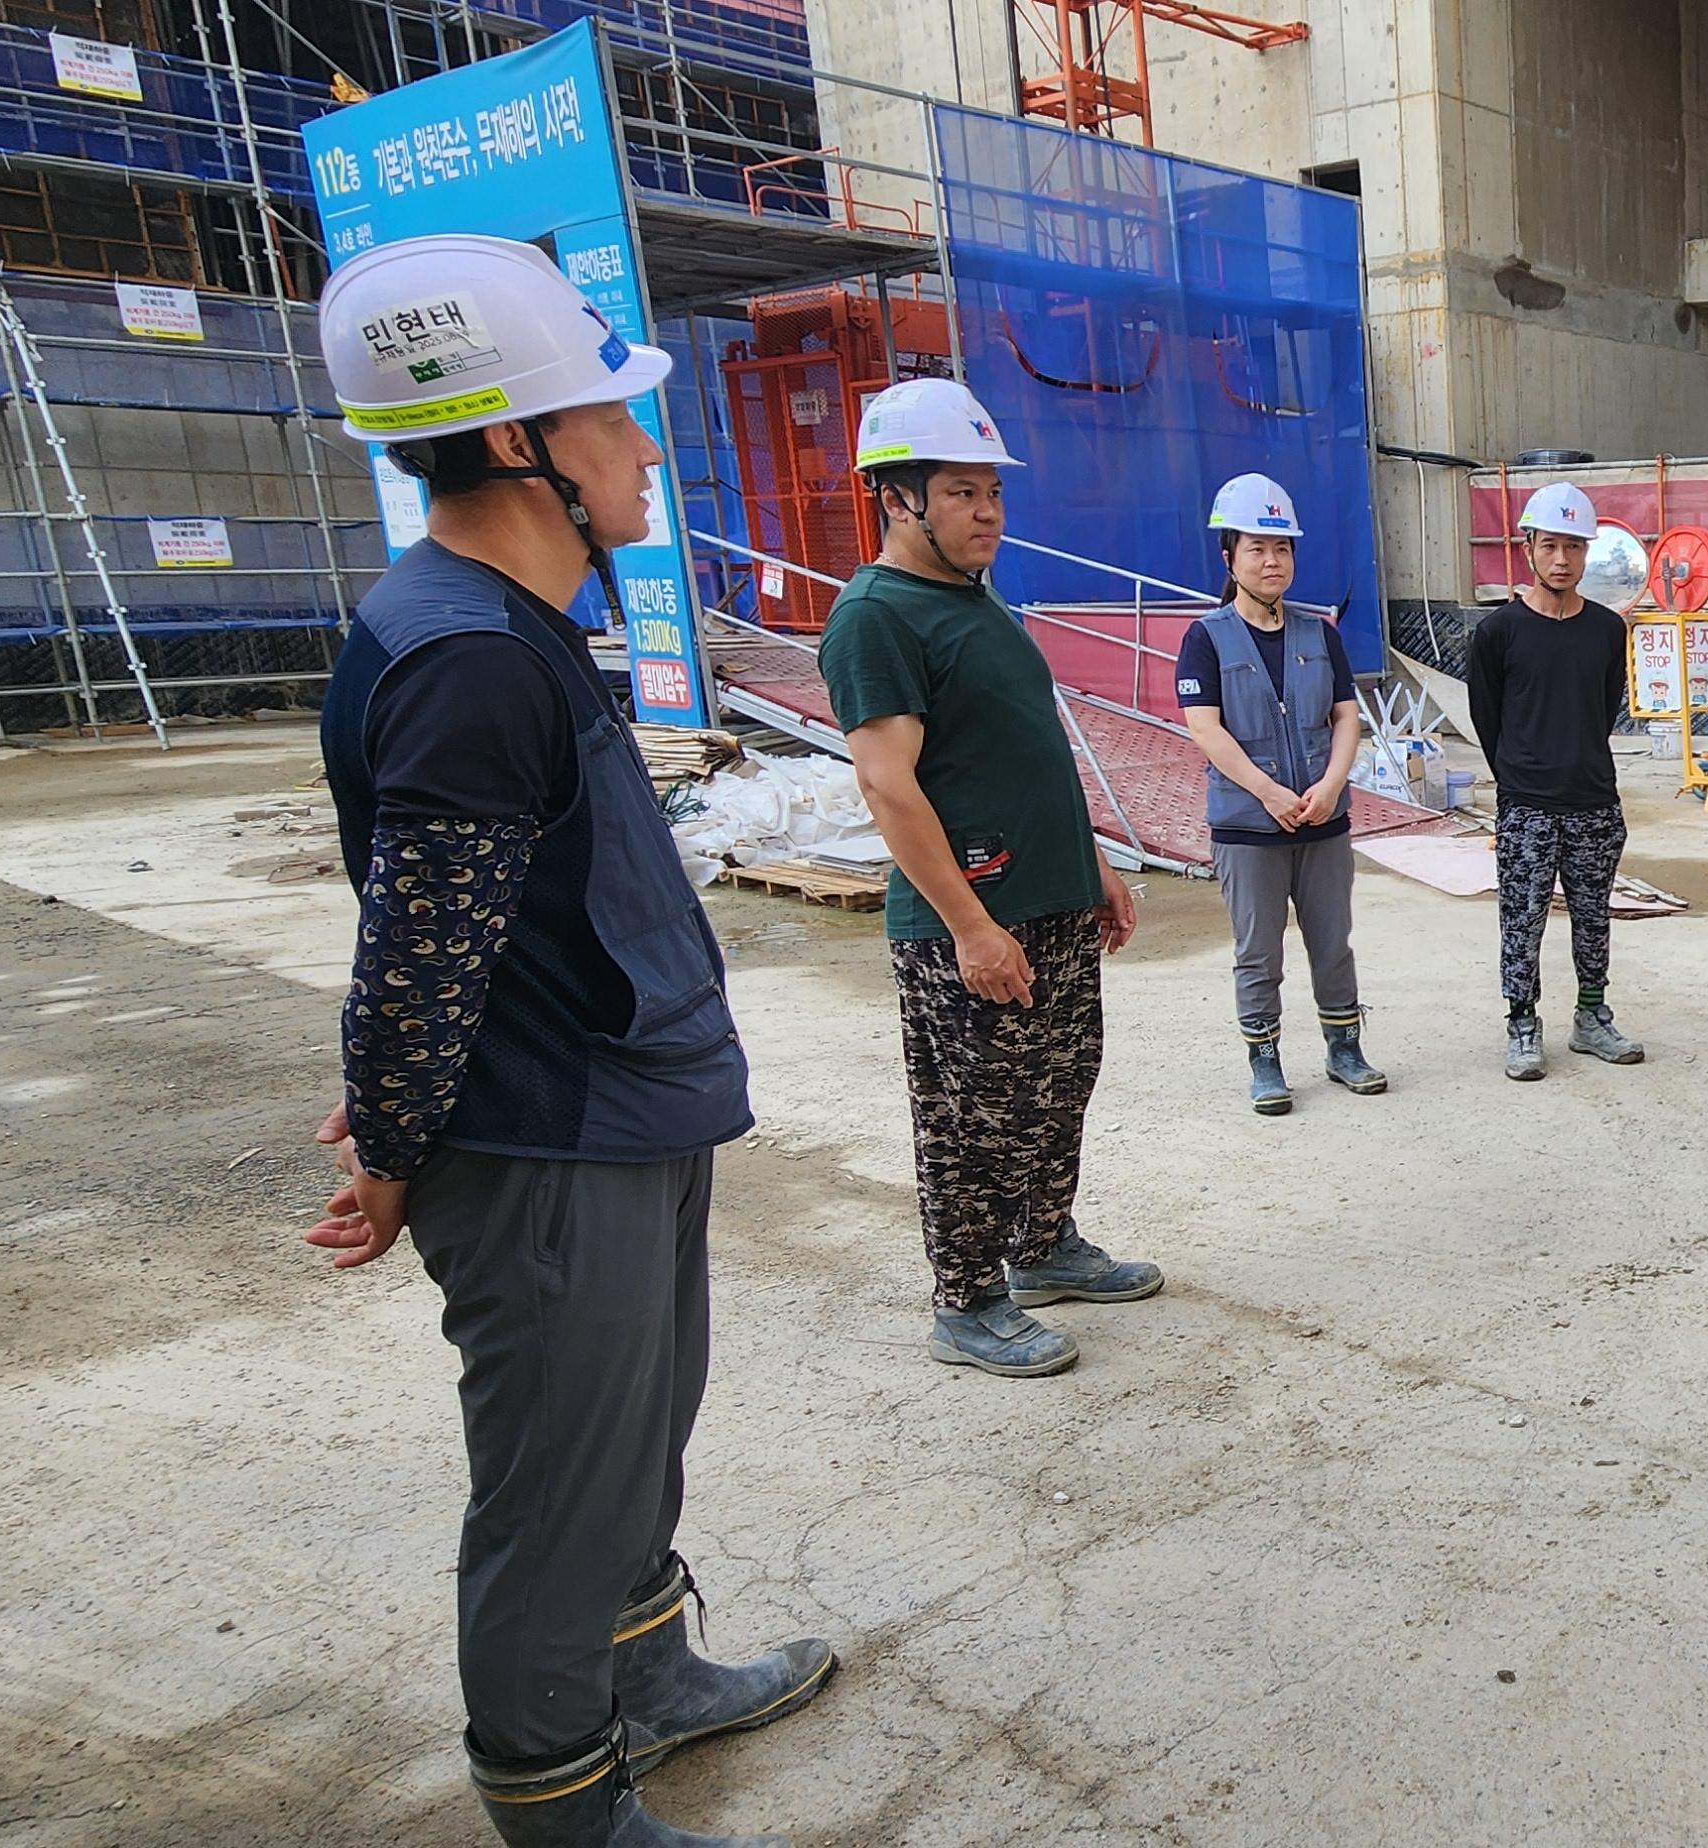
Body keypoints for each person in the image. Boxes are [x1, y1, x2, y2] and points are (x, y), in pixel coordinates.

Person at [303, 233, 828, 1848]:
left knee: (632, 1445)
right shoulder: (467, 657)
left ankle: (650, 1678)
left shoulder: (510, 622)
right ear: (517, 439)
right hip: (547, 1144)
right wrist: (392, 1146)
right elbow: (420, 955)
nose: (647, 446)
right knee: (556, 1488)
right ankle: (560, 1803)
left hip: (621, 1109)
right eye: (611, 416)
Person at [820, 376, 1159, 1381]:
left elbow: (1024, 747)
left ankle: (1041, 1247)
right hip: (968, 918)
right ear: (898, 498)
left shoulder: (973, 599)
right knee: (974, 1116)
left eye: (994, 492)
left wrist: (1093, 861)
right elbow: (888, 786)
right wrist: (970, 926)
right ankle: (966, 1301)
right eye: (962, 493)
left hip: (1051, 900)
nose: (987, 513)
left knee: (1058, 1086)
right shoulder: (876, 617)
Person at [1177, 471, 1383, 1114]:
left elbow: (1346, 716)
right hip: (1248, 826)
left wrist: (1331, 784)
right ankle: (1264, 1061)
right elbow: (1205, 729)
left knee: (1332, 942)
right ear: (1229, 556)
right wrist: (1268, 793)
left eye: (1282, 548)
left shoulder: (1319, 633)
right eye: (1257, 548)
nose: (1272, 561)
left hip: (1323, 820)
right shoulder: (1205, 638)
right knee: (1258, 950)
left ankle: (1344, 1049)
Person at [1465, 481, 1644, 1081]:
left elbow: (1605, 706)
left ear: (1587, 551)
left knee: (1594, 917)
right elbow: (1486, 718)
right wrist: (1521, 778)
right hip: (1528, 807)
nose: (1561, 559)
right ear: (1528, 550)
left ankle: (1592, 1017)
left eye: (1573, 547)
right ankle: (1522, 1021)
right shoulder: (1499, 633)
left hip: (1595, 801)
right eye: (1549, 546)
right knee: (1522, 919)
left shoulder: (1606, 630)